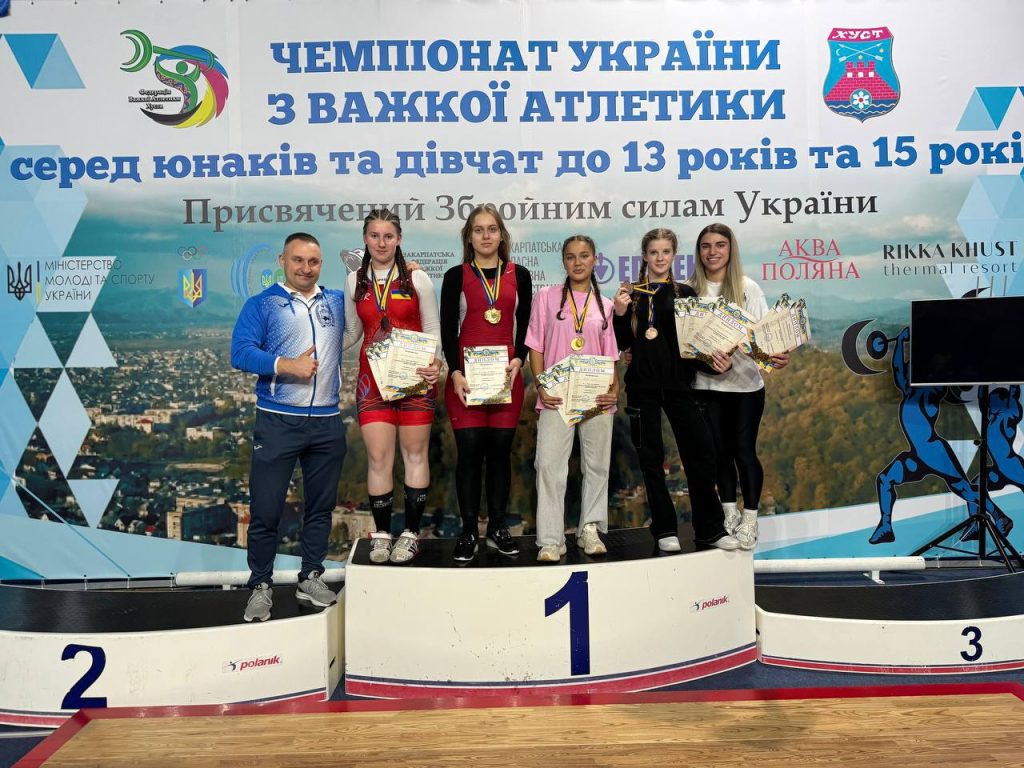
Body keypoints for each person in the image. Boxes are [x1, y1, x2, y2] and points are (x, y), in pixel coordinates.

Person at [230, 232, 348, 622]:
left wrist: (406, 272)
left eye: (313, 261)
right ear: (283, 261)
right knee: (266, 510)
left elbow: (374, 303)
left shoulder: (336, 301)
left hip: (327, 422)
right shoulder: (262, 304)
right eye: (298, 260)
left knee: (320, 508)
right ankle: (260, 585)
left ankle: (310, 576)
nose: (305, 268)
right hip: (278, 421)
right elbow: (240, 353)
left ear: (321, 264)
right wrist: (286, 365)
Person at [612, 227, 739, 553]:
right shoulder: (630, 294)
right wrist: (620, 315)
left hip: (680, 385)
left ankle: (709, 529)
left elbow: (695, 346)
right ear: (644, 256)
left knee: (701, 453)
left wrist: (717, 364)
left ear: (673, 255)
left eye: (665, 252)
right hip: (642, 387)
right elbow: (623, 344)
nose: (659, 258)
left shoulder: (685, 293)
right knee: (651, 458)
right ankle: (665, 528)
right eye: (653, 252)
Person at [343, 209, 442, 565]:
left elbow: (432, 328)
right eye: (374, 236)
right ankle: (383, 534)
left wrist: (436, 363)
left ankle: (411, 534)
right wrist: (319, 347)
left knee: (415, 455)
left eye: (388, 236)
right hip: (373, 382)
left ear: (399, 239)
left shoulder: (418, 278)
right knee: (379, 459)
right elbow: (352, 332)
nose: (381, 243)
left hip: (416, 380)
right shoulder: (354, 280)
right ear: (365, 238)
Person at [440, 203, 532, 562]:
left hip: (506, 376)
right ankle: (468, 531)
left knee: (499, 454)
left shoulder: (519, 275)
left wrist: (519, 359)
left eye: (492, 229)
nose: (485, 235)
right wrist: (455, 372)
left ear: (501, 235)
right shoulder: (456, 276)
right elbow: (448, 329)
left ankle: (497, 526)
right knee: (469, 452)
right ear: (469, 237)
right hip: (466, 379)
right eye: (478, 230)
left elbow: (525, 326)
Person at [689, 222, 789, 550]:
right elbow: (683, 345)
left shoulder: (748, 288)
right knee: (718, 454)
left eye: (720, 245)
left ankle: (750, 517)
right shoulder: (689, 290)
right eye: (706, 245)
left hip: (745, 387)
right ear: (698, 251)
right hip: (705, 386)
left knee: (743, 451)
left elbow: (765, 338)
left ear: (731, 249)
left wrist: (776, 355)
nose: (713, 252)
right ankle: (729, 512)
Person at [527, 235, 619, 562]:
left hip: (596, 395)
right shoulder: (546, 298)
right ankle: (551, 539)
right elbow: (535, 345)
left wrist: (614, 388)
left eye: (584, 256)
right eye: (570, 257)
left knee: (597, 465)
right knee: (548, 465)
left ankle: (589, 529)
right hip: (556, 395)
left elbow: (611, 355)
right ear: (564, 261)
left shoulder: (605, 305)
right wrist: (541, 384)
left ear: (595, 259)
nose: (577, 262)